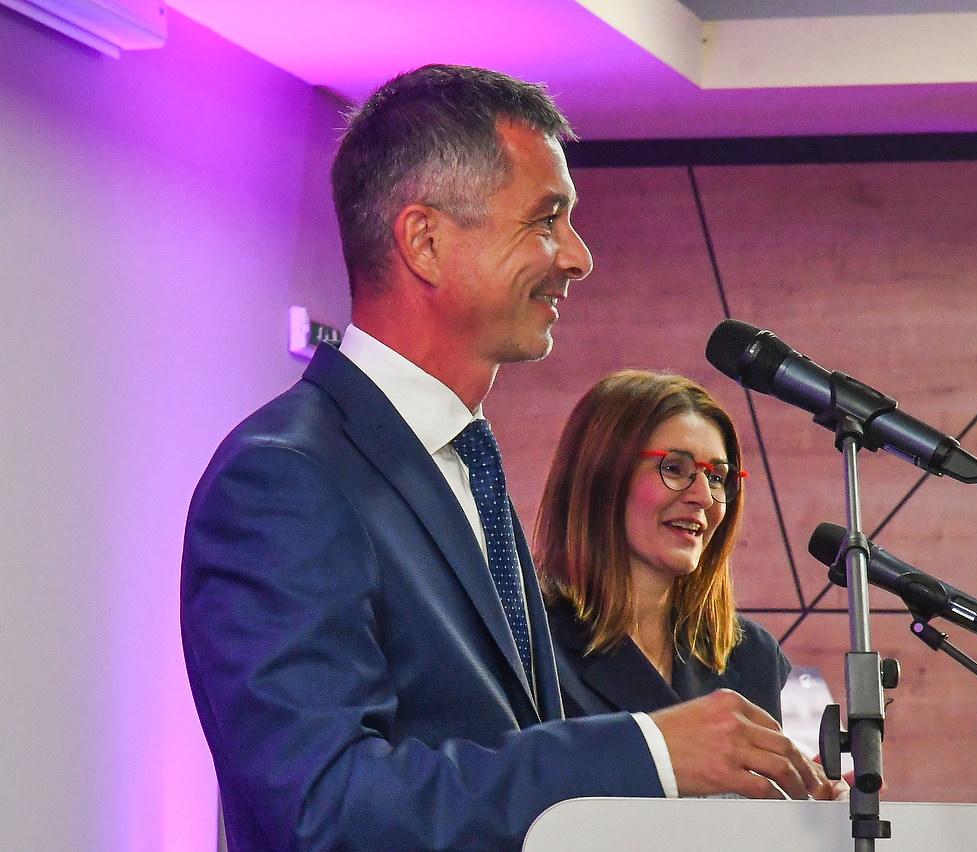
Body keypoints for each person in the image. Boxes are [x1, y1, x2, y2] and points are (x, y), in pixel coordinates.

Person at [180, 64, 842, 852]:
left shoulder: (467, 465)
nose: (579, 256)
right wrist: (648, 751)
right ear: (425, 242)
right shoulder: (285, 478)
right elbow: (328, 808)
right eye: (547, 219)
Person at [536, 370, 792, 723]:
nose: (704, 497)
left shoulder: (752, 657)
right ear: (601, 475)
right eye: (673, 468)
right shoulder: (531, 643)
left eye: (716, 477)